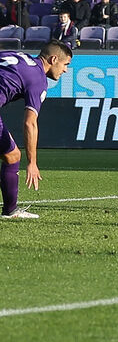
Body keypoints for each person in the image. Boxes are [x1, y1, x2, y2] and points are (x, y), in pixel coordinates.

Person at [0, 42, 73, 219]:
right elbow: (30, 123)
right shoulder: (38, 79)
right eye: (65, 65)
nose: (65, 71)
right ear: (53, 59)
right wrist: (32, 162)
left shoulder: (19, 56)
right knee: (13, 156)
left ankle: (11, 210)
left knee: (11, 155)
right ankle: (10, 211)